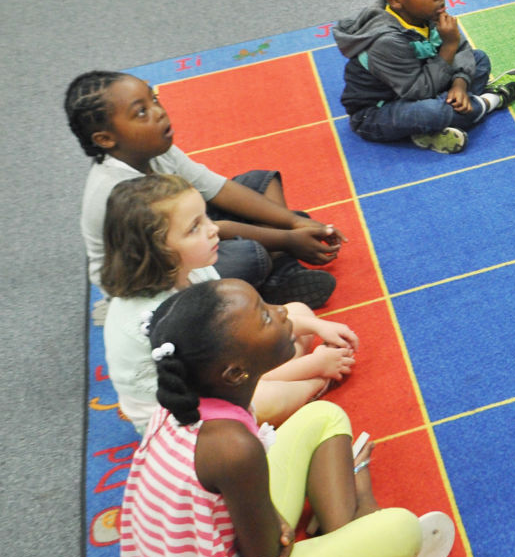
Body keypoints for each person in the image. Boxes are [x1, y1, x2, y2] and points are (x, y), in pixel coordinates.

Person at [117, 279, 456, 557]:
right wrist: (275, 526)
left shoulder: (193, 397)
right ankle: (358, 510)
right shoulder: (231, 448)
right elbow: (265, 556)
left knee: (323, 416)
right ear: (235, 372)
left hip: (210, 546)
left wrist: (265, 516)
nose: (280, 312)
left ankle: (342, 529)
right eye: (265, 316)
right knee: (401, 531)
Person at [101, 175, 359, 433]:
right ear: (159, 251)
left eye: (205, 218)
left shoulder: (194, 269)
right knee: (261, 401)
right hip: (184, 412)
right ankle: (314, 385)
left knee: (299, 311)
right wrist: (316, 366)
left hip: (222, 370)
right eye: (194, 227)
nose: (213, 229)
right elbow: (235, 380)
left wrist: (314, 325)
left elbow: (246, 331)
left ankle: (303, 376)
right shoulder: (170, 315)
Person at [67, 70, 343, 305]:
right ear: (105, 138)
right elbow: (209, 232)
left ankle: (279, 272)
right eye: (141, 112)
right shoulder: (123, 193)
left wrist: (293, 223)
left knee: (261, 182)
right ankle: (270, 272)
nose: (159, 113)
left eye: (154, 99)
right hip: (155, 277)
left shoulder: (156, 150)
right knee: (250, 256)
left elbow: (217, 188)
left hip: (189, 229)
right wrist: (286, 239)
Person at [334, 0, 515, 154]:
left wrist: (460, 84)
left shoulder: (424, 11)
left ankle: (435, 126)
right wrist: (449, 45)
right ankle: (492, 99)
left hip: (425, 83)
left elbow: (462, 49)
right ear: (395, 0)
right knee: (432, 111)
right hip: (377, 112)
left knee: (479, 59)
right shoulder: (386, 41)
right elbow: (418, 90)